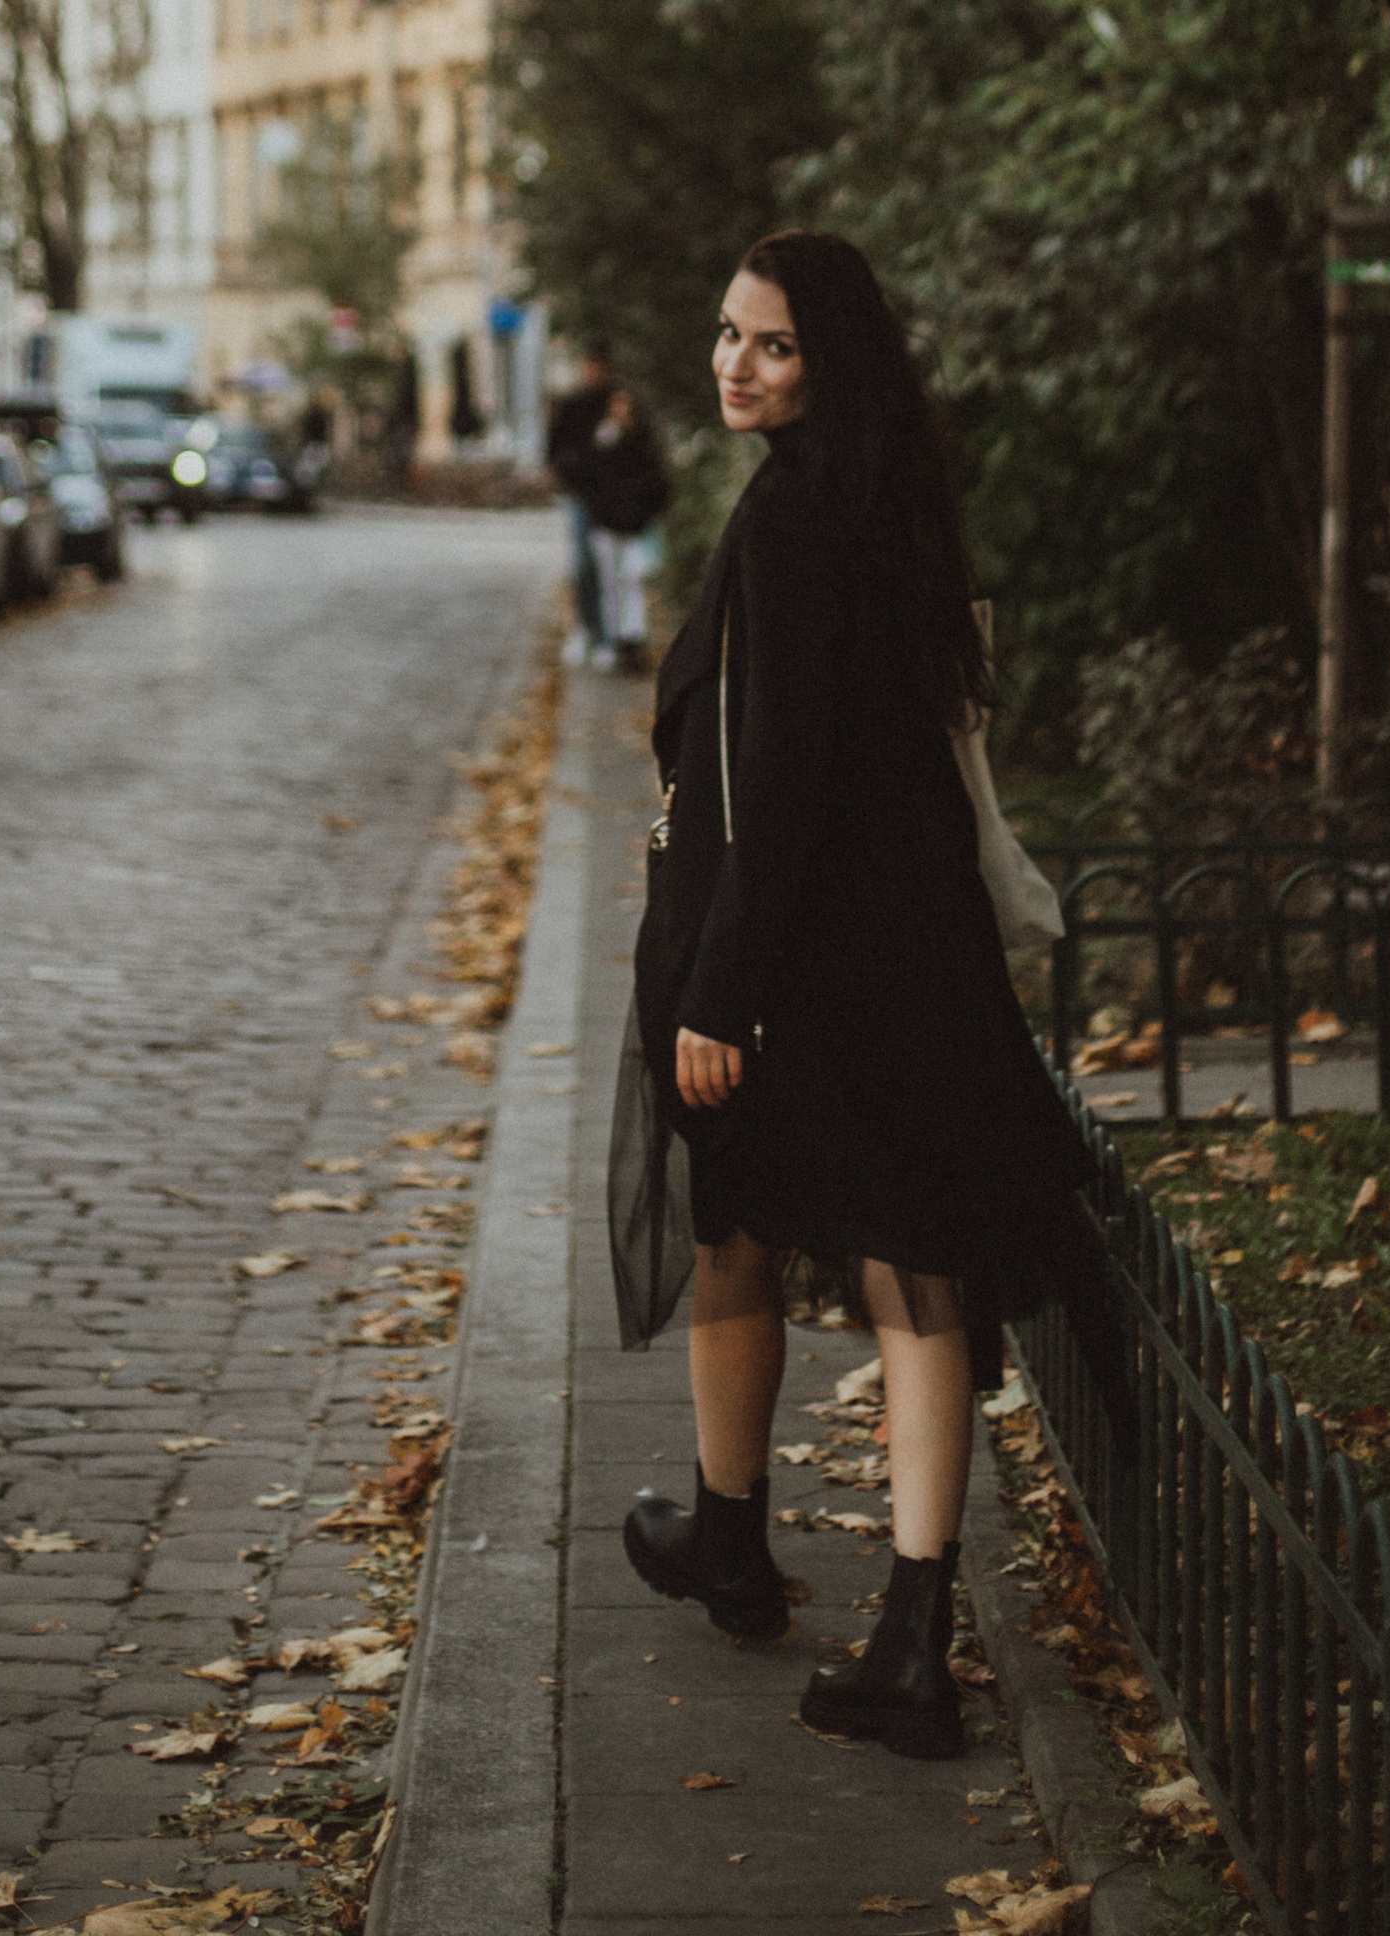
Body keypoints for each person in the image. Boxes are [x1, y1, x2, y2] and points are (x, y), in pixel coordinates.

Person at [607, 229, 1127, 1760]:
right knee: (820, 1237)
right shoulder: (880, 501)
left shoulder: (790, 525)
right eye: (724, 335)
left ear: (826, 361)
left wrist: (720, 993)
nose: (733, 364)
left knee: (862, 1252)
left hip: (820, 966)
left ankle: (900, 1633)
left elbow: (777, 782)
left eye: (768, 343)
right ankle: (747, 1546)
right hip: (900, 946)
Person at [579, 386, 668, 672]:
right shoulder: (602, 438)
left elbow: (655, 482)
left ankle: (632, 640)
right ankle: (612, 641)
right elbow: (591, 478)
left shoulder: (641, 440)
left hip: (632, 526)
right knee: (610, 583)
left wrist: (642, 512)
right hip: (607, 524)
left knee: (631, 580)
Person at [546, 346, 615, 668]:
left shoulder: (614, 403)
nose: (591, 373)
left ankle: (607, 636)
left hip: (613, 499)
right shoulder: (572, 406)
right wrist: (571, 474)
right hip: (582, 497)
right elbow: (555, 448)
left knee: (611, 568)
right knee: (581, 565)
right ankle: (585, 631)